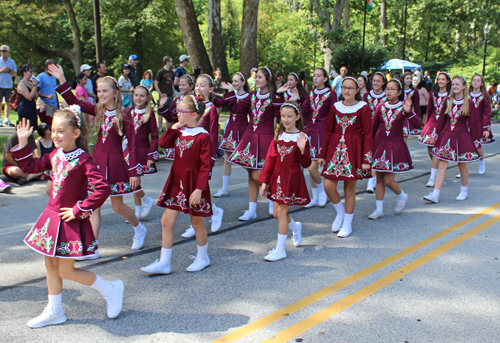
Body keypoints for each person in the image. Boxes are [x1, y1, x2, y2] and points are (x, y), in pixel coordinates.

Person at [12, 112, 123, 328]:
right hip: (51, 219)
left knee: (65, 270)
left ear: (76, 133)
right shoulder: (55, 155)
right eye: (53, 130)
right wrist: (24, 141)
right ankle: (55, 310)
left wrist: (80, 209)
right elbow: (29, 167)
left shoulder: (83, 159)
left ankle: (110, 289)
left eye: (61, 131)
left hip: (69, 219)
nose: (55, 135)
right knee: (50, 264)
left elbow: (103, 188)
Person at [49, 64, 148, 252]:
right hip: (98, 162)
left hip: (116, 163)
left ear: (114, 93)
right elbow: (72, 100)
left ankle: (139, 228)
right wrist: (62, 79)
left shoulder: (125, 115)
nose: (101, 94)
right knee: (93, 206)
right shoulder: (98, 110)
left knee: (118, 206)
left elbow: (133, 145)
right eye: (98, 91)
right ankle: (92, 246)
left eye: (104, 91)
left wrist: (134, 172)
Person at [141, 95, 212, 274]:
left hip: (194, 185)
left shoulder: (203, 136)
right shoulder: (179, 131)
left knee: (196, 223)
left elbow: (205, 166)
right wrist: (173, 128)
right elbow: (163, 144)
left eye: (182, 111)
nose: (178, 114)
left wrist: (199, 189)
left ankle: (203, 257)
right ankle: (165, 262)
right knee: (166, 221)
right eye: (177, 111)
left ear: (195, 115)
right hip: (176, 183)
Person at [317, 77, 372, 238]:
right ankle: (340, 213)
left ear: (357, 90)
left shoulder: (363, 108)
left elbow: (368, 135)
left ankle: (347, 223)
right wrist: (322, 153)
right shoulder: (335, 107)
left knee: (349, 190)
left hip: (354, 150)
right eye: (344, 87)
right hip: (335, 150)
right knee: (328, 186)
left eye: (351, 88)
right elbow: (328, 131)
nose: (347, 90)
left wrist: (366, 160)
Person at [227, 67, 282, 220]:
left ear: (267, 80)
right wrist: (232, 93)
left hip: (265, 138)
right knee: (251, 175)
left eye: (260, 77)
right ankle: (252, 210)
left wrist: (279, 96)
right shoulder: (251, 95)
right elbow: (238, 109)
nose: (256, 80)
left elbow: (279, 115)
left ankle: (272, 198)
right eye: (256, 77)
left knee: (259, 175)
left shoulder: (273, 96)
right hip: (250, 137)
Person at [259, 102, 311, 261]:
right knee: (276, 214)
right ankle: (296, 227)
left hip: (291, 179)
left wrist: (302, 149)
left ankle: (280, 249)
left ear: (297, 117)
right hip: (277, 179)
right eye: (283, 116)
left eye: (289, 116)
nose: (286, 120)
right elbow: (270, 160)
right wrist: (264, 182)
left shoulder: (302, 137)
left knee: (282, 213)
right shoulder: (278, 136)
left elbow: (306, 163)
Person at [178, 74, 223, 238]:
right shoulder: (192, 107)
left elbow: (212, 134)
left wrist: (210, 157)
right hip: (189, 154)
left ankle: (208, 216)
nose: (198, 88)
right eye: (197, 85)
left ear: (211, 89)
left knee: (199, 188)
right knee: (191, 188)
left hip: (202, 156)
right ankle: (210, 214)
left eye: (202, 85)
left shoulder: (211, 109)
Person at [424, 76, 480, 203]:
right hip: (447, 135)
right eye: (453, 84)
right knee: (442, 163)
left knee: (462, 165)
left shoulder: (469, 102)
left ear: (464, 86)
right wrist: (437, 137)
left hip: (462, 136)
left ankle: (464, 190)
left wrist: (475, 140)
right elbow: (442, 122)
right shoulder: (447, 101)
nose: (454, 86)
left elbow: (474, 124)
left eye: (457, 84)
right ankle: (435, 194)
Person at [369, 79, 419, 219]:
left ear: (400, 92)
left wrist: (409, 112)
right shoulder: (380, 107)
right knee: (379, 179)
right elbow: (372, 129)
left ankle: (402, 196)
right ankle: (378, 210)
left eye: (392, 89)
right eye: (387, 89)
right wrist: (368, 147)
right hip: (381, 146)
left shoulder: (404, 107)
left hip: (396, 147)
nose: (388, 91)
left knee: (389, 181)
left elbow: (418, 124)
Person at [301, 68, 337, 208]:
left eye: (318, 76)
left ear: (325, 79)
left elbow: (334, 113)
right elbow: (304, 111)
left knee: (312, 167)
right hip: (310, 131)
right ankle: (314, 197)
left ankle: (322, 192)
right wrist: (293, 101)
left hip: (323, 132)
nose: (315, 78)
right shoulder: (310, 93)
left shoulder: (331, 93)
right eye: (314, 76)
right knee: (310, 166)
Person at [212, 72, 250, 198]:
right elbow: (218, 103)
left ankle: (260, 183)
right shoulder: (231, 96)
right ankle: (224, 188)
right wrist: (210, 95)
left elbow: (252, 115)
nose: (234, 83)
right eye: (233, 81)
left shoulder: (248, 97)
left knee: (245, 160)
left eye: (236, 81)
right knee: (227, 160)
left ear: (243, 83)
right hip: (231, 129)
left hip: (244, 129)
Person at [122, 85, 158, 221]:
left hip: (141, 151)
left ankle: (142, 206)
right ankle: (141, 205)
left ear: (147, 98)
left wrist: (151, 156)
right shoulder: (128, 112)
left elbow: (154, 136)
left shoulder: (150, 114)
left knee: (134, 180)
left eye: (142, 96)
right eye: (136, 95)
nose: (138, 98)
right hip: (128, 150)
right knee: (130, 179)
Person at [419, 71, 451, 187]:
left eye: (444, 79)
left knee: (437, 152)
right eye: (439, 79)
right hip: (431, 124)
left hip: (443, 125)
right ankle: (437, 169)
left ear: (447, 81)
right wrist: (426, 125)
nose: (441, 81)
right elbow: (429, 110)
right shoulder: (433, 94)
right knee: (430, 151)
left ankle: (432, 177)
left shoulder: (450, 95)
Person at [158, 74, 195, 160]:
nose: (181, 87)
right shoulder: (177, 100)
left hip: (191, 133)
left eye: (184, 85)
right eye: (180, 85)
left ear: (191, 86)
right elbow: (171, 118)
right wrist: (162, 106)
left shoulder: (195, 100)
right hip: (179, 134)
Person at [363, 71, 388, 193]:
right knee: (371, 153)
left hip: (383, 129)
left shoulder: (387, 96)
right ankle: (371, 180)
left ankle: (375, 179)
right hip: (369, 128)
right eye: (374, 81)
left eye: (378, 81)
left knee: (380, 153)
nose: (376, 83)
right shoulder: (367, 95)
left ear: (383, 82)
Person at [469, 74, 495, 175]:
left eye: (478, 81)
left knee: (477, 146)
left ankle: (481, 162)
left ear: (482, 83)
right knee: (465, 145)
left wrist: (486, 127)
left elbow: (487, 113)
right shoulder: (467, 94)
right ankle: (464, 167)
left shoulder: (484, 96)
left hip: (479, 124)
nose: (475, 82)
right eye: (474, 80)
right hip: (467, 124)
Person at [401, 72, 421, 151]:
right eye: (407, 78)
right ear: (403, 79)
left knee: (404, 138)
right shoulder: (399, 90)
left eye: (410, 78)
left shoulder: (414, 91)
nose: (409, 80)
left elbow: (417, 105)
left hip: (408, 116)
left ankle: (404, 154)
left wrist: (418, 118)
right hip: (399, 114)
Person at [16, 65, 39, 130]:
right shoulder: (21, 84)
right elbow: (28, 97)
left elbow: (35, 96)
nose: (32, 73)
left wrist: (35, 86)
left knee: (33, 127)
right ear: (24, 72)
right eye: (30, 71)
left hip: (32, 108)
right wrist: (34, 87)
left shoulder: (30, 83)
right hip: (25, 108)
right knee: (25, 127)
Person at [155, 56, 175, 130]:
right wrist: (160, 93)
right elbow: (156, 83)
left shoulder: (171, 72)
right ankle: (160, 128)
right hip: (163, 95)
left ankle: (168, 128)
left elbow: (172, 83)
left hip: (170, 95)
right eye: (171, 61)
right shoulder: (161, 72)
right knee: (161, 112)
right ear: (167, 62)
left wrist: (174, 92)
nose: (172, 62)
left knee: (169, 112)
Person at [0, 45, 17, 127]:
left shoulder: (12, 62)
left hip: (8, 85)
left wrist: (9, 71)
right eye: (1, 50)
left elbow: (15, 74)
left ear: (8, 52)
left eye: (4, 51)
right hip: (0, 84)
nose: (2, 52)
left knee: (8, 102)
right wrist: (2, 70)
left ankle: (6, 119)